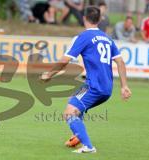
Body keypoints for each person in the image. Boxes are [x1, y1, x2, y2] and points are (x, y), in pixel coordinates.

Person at [40, 6, 131, 153]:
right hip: (106, 87)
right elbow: (120, 62)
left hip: (94, 86)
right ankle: (78, 136)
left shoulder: (84, 37)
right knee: (74, 99)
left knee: (69, 113)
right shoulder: (107, 38)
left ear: (84, 18)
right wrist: (124, 86)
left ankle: (88, 146)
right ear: (100, 19)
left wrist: (49, 75)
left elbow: (65, 60)